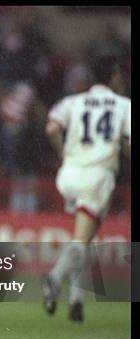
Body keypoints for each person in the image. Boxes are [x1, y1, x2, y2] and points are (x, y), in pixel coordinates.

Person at [42, 56, 131, 322]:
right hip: (97, 175)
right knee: (82, 239)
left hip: (69, 174)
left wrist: (63, 154)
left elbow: (52, 128)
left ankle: (76, 300)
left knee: (83, 239)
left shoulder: (73, 101)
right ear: (114, 77)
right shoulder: (124, 105)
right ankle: (55, 278)